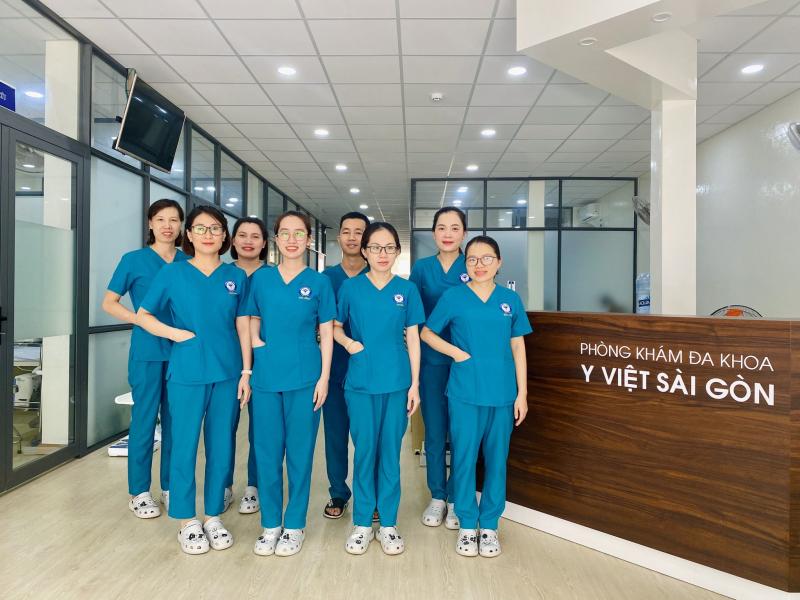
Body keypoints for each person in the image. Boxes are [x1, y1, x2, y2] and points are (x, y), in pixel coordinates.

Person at [136, 205, 252, 555]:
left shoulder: (236, 277)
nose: (208, 234)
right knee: (183, 445)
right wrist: (175, 333)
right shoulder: (173, 273)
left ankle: (213, 515)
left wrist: (246, 372)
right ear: (189, 235)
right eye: (200, 228)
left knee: (221, 445)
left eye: (215, 228)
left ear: (224, 236)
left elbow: (243, 326)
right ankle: (187, 520)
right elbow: (144, 314)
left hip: (227, 373)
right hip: (186, 372)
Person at [420, 236, 532, 559]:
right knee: (464, 458)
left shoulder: (510, 299)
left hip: (502, 394)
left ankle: (490, 525)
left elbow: (518, 346)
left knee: (497, 461)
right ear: (465, 263)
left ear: (499, 262)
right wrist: (456, 353)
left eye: (486, 258)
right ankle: (468, 525)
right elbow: (427, 333)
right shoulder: (454, 297)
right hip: (465, 392)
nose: (479, 265)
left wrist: (522, 393)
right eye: (472, 259)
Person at [245, 211, 335, 557]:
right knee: (267, 453)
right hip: (267, 377)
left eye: (299, 234)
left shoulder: (319, 283)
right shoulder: (262, 279)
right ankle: (270, 524)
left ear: (308, 240)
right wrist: (257, 346)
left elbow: (326, 332)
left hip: (306, 378)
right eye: (285, 233)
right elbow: (251, 317)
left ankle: (294, 524)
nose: (292, 240)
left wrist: (324, 378)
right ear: (276, 239)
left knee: (299, 454)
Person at [333, 222, 424, 556]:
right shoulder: (350, 288)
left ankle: (387, 524)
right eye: (375, 247)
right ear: (365, 251)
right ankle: (361, 523)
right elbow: (334, 327)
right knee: (365, 452)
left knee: (389, 454)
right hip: (360, 382)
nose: (382, 254)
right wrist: (349, 344)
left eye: (389, 248)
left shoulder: (407, 290)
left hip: (397, 382)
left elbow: (413, 338)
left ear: (397, 252)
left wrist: (415, 385)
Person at [102, 199, 188, 519]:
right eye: (160, 219)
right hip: (148, 353)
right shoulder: (134, 260)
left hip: (181, 353)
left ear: (181, 226)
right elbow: (109, 302)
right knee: (144, 420)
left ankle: (170, 486)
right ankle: (138, 491)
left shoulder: (188, 262)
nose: (167, 226)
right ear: (150, 223)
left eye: (174, 220)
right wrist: (138, 319)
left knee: (177, 423)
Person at [409, 207, 469, 530]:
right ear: (433, 233)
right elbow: (411, 317)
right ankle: (437, 496)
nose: (448, 234)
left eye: (455, 228)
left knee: (461, 432)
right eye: (442, 228)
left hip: (464, 362)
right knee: (434, 431)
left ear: (464, 234)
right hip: (431, 361)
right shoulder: (422, 269)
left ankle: (458, 497)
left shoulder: (472, 265)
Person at [320, 212, 369, 520]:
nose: (352, 237)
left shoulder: (378, 276)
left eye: (359, 232)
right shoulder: (325, 278)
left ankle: (369, 494)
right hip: (335, 370)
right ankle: (338, 491)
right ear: (338, 237)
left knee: (367, 439)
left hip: (369, 373)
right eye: (346, 231)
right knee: (336, 436)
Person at [226, 217, 268, 515]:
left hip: (265, 361)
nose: (248, 241)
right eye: (242, 235)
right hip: (228, 360)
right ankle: (224, 485)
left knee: (261, 429)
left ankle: (254, 485)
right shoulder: (222, 274)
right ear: (233, 240)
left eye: (255, 236)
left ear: (265, 243)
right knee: (224, 427)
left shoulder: (273, 276)